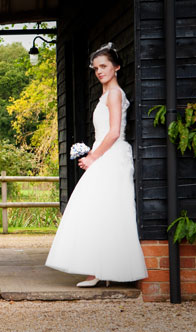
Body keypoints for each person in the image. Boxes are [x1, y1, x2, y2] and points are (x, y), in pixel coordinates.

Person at [45, 43, 148, 287]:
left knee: (105, 208)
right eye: (95, 68)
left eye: (104, 66)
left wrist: (93, 157)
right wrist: (92, 152)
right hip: (105, 153)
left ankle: (101, 270)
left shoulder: (114, 94)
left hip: (113, 155)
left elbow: (113, 133)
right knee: (97, 208)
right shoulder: (105, 95)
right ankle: (97, 270)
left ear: (117, 67)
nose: (99, 71)